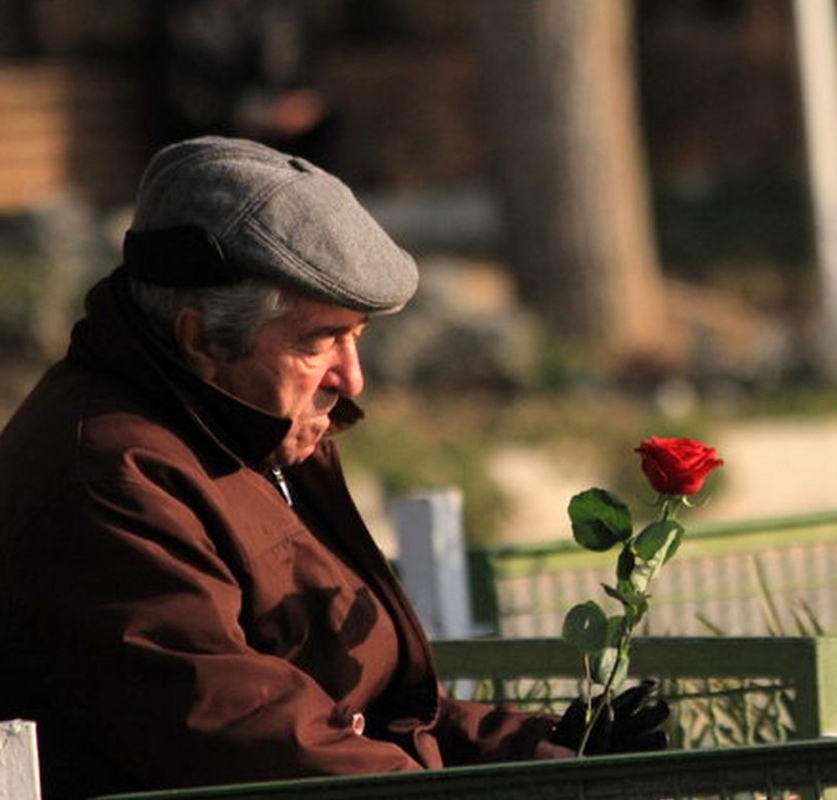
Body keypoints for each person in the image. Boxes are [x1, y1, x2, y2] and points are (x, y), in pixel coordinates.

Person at [0, 136, 666, 800]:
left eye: (357, 335)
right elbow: (257, 746)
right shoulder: (110, 474)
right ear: (201, 338)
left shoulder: (250, 426)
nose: (352, 378)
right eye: (320, 340)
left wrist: (539, 751)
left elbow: (370, 711)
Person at [148, 0, 338, 167]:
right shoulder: (185, 16)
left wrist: (304, 104)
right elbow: (191, 100)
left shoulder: (274, 10)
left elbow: (297, 70)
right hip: (213, 136)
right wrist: (265, 115)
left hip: (281, 129)